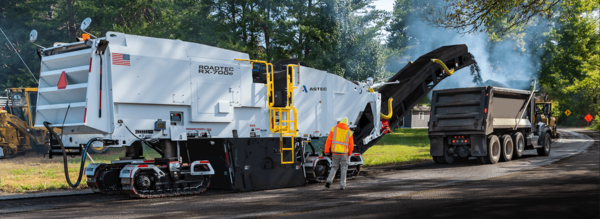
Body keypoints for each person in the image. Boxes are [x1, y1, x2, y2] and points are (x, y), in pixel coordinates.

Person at [324, 117, 354, 190]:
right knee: (344, 169)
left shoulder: (333, 129)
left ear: (340, 122)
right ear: (346, 124)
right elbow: (351, 145)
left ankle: (328, 181)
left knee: (334, 167)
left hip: (335, 152)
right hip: (344, 154)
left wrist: (327, 151)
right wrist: (349, 153)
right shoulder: (349, 132)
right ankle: (342, 185)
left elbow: (328, 141)